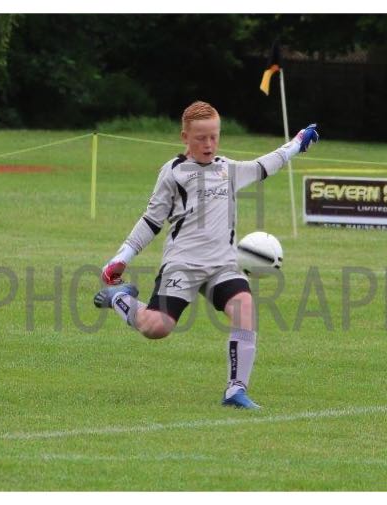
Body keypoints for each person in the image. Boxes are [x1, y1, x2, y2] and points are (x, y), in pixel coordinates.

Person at [94, 101, 318, 409]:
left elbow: (265, 165)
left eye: (214, 137)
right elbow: (151, 220)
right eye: (201, 138)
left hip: (222, 265)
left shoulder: (227, 169)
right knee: (157, 327)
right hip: (182, 265)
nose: (209, 144)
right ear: (185, 137)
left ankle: (235, 391)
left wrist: (296, 143)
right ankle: (119, 298)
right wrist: (122, 257)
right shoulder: (173, 173)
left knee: (244, 305)